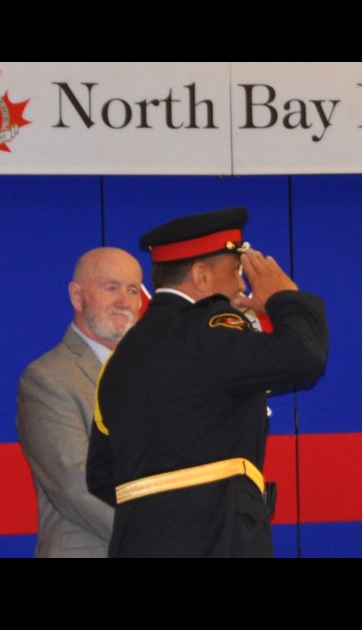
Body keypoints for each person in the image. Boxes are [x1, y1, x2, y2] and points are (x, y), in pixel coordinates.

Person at [86, 206, 329, 557]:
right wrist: (286, 298)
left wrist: (166, 506)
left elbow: (100, 475)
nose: (242, 284)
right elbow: (306, 356)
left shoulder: (121, 358)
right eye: (235, 271)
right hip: (217, 539)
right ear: (201, 276)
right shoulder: (211, 329)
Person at [16, 247, 143, 558]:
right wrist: (163, 540)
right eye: (111, 288)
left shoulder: (152, 373)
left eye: (132, 290)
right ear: (77, 296)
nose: (124, 301)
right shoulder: (46, 379)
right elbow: (76, 487)